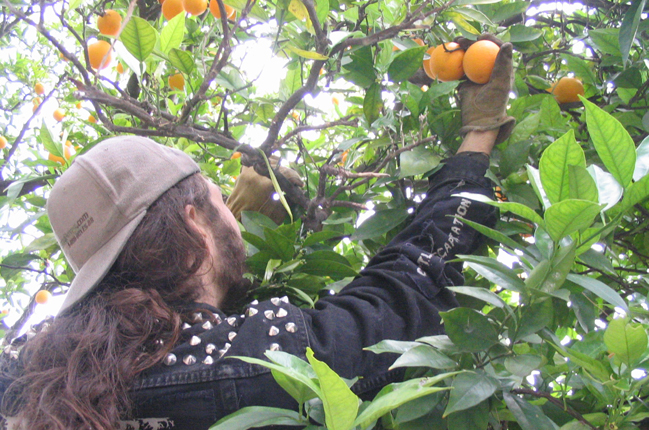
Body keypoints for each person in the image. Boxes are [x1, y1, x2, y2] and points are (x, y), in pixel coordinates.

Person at [0, 35, 514, 430]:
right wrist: (479, 134)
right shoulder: (266, 358)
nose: (231, 208)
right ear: (194, 224)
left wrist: (227, 241)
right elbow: (407, 287)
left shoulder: (26, 377)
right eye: (218, 200)